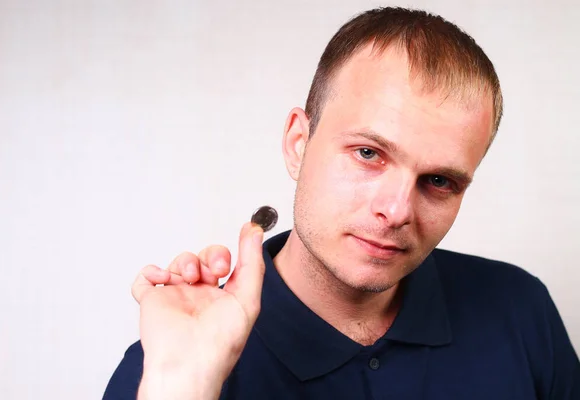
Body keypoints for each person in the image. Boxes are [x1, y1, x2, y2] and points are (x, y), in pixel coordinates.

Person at [103, 6, 580, 400]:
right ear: (297, 143)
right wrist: (184, 386)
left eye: (438, 180)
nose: (396, 212)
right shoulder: (165, 369)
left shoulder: (520, 311)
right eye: (368, 154)